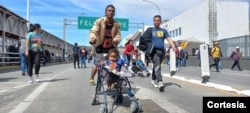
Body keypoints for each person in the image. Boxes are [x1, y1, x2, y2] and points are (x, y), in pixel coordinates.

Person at [140, 15, 176, 91]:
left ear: (160, 21)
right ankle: (160, 82)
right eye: (155, 20)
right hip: (154, 51)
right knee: (157, 66)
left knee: (157, 66)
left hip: (162, 51)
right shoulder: (150, 30)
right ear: (153, 21)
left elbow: (168, 38)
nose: (156, 22)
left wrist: (173, 46)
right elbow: (144, 39)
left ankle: (153, 80)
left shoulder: (164, 31)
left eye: (158, 20)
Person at [88, 4, 121, 85]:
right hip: (100, 46)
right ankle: (92, 77)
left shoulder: (116, 24)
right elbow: (93, 31)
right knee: (97, 65)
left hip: (110, 48)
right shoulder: (99, 21)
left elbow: (118, 34)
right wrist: (93, 37)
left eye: (113, 11)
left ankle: (110, 81)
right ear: (105, 12)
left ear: (114, 13)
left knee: (112, 64)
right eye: (109, 11)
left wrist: (117, 39)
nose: (111, 12)